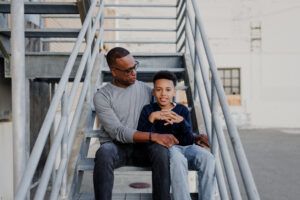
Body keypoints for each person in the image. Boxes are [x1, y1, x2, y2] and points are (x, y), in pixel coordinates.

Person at [93, 47, 178, 200]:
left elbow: (166, 118)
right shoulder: (102, 96)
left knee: (161, 151)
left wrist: (192, 135)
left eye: (134, 67)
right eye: (128, 70)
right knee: (103, 153)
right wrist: (153, 136)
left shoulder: (146, 90)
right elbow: (118, 132)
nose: (134, 72)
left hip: (143, 148)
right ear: (114, 72)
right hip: (116, 148)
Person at [137, 71, 216, 200]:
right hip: (169, 148)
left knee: (208, 158)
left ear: (174, 92)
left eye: (168, 90)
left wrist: (182, 122)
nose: (163, 94)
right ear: (153, 92)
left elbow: (189, 140)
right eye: (159, 89)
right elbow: (142, 135)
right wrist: (152, 118)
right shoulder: (148, 110)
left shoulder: (182, 110)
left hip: (187, 147)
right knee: (178, 160)